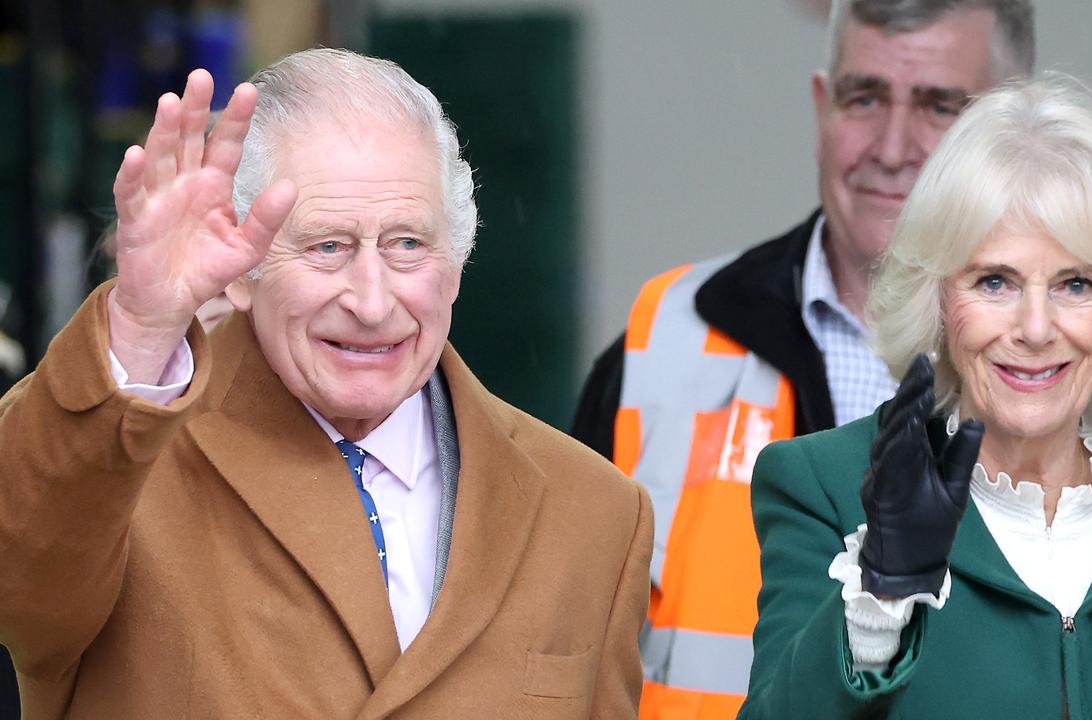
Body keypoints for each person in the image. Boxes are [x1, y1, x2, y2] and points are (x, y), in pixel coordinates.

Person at [0, 49, 653, 718]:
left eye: (407, 244)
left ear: (456, 264)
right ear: (241, 270)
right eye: (327, 246)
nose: (371, 302)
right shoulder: (122, 467)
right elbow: (20, 585)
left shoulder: (594, 513)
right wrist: (140, 327)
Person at [742, 76, 1092, 718]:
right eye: (994, 281)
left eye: (1076, 283)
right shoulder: (821, 485)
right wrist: (880, 599)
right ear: (938, 299)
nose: (1033, 328)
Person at [573, 0, 1034, 714]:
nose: (891, 146)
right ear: (822, 104)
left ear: (1016, 125)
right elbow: (568, 648)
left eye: (940, 106)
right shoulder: (666, 338)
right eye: (865, 96)